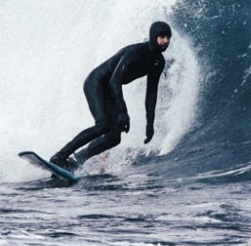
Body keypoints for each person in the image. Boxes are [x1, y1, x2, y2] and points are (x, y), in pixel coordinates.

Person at [50, 21, 172, 171]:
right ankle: (60, 156)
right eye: (161, 36)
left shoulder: (158, 62)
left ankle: (76, 161)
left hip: (110, 89)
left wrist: (150, 123)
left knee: (114, 138)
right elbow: (115, 81)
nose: (165, 41)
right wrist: (123, 112)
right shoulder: (134, 53)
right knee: (102, 125)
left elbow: (151, 92)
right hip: (96, 82)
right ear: (153, 36)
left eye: (168, 37)